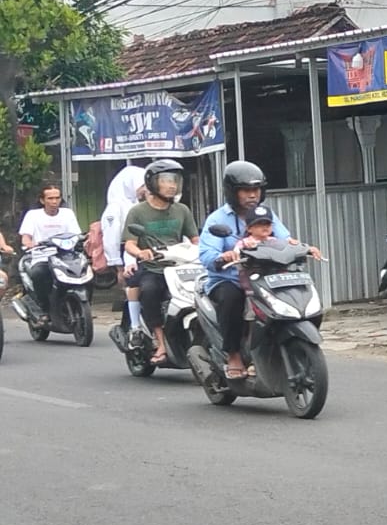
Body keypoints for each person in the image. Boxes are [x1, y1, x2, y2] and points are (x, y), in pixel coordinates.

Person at [199, 162, 320, 381]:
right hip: (230, 279)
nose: (252, 195)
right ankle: (234, 354)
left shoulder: (265, 215)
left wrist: (302, 248)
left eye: (256, 189)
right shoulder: (217, 219)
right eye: (245, 190)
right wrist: (223, 257)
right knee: (231, 299)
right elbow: (207, 254)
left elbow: (284, 239)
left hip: (264, 278)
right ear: (232, 192)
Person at [121, 160, 199, 363]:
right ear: (152, 183)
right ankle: (160, 343)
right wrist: (141, 253)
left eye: (175, 180)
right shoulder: (138, 212)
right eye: (166, 180)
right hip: (153, 268)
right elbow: (129, 243)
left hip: (180, 267)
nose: (172, 185)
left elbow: (195, 239)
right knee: (150, 292)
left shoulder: (182, 210)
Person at [18, 183, 81, 306]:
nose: (54, 202)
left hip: (67, 257)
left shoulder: (68, 213)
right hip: (42, 257)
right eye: (50, 198)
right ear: (42, 200)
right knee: (38, 274)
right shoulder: (33, 215)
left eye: (57, 198)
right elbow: (25, 238)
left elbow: (76, 234)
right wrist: (30, 244)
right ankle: (43, 306)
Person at [100, 164, 147, 278]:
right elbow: (111, 236)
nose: (145, 189)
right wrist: (117, 265)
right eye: (142, 185)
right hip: (122, 255)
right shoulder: (115, 207)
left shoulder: (135, 203)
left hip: (138, 252)